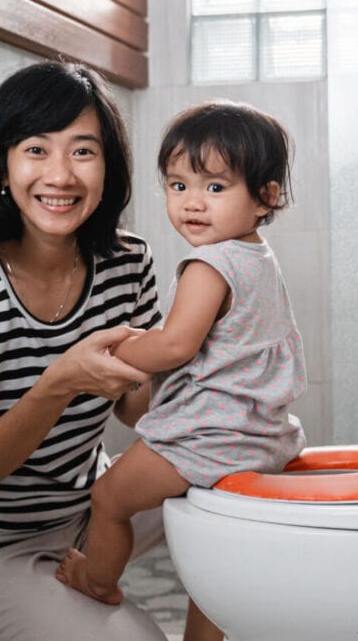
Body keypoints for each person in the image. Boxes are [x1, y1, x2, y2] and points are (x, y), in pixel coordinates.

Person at [0, 62, 223, 641]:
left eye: (84, 151)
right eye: (36, 150)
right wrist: (60, 382)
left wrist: (224, 384)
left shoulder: (125, 262)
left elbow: (137, 407)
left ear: (108, 169)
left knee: (236, 478)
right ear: (2, 166)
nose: (61, 174)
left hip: (81, 512)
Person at [54, 100, 307, 607]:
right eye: (178, 185)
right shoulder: (258, 257)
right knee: (217, 554)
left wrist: (122, 346)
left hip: (206, 441)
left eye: (215, 188)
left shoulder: (209, 264)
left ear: (265, 197)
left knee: (106, 499)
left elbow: (174, 344)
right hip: (262, 435)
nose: (193, 203)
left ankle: (98, 582)